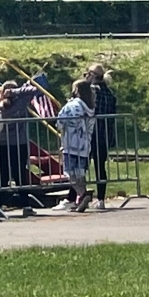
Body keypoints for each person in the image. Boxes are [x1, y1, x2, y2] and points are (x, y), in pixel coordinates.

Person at [0, 77, 47, 197]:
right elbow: (37, 89)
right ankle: (24, 201)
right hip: (19, 143)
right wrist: (17, 91)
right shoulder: (21, 102)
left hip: (2, 143)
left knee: (2, 174)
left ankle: (0, 200)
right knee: (20, 174)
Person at [57, 79, 95, 212]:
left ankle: (82, 194)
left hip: (71, 144)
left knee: (71, 174)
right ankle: (82, 199)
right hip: (85, 145)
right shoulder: (90, 107)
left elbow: (60, 122)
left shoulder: (72, 106)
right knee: (80, 173)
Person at [87, 64, 119, 208]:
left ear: (93, 75)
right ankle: (101, 199)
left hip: (91, 134)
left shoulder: (93, 91)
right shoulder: (109, 94)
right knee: (100, 167)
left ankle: (75, 197)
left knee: (81, 166)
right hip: (105, 134)